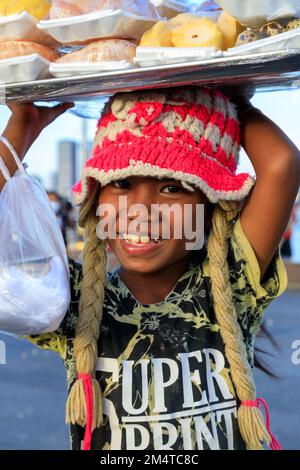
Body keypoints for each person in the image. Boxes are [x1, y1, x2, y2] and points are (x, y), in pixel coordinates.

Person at [0, 88, 299, 451]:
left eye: (173, 188)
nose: (140, 210)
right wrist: (22, 128)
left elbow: (281, 164)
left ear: (211, 206)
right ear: (96, 202)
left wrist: (230, 95)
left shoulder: (232, 280)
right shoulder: (73, 301)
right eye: (122, 184)